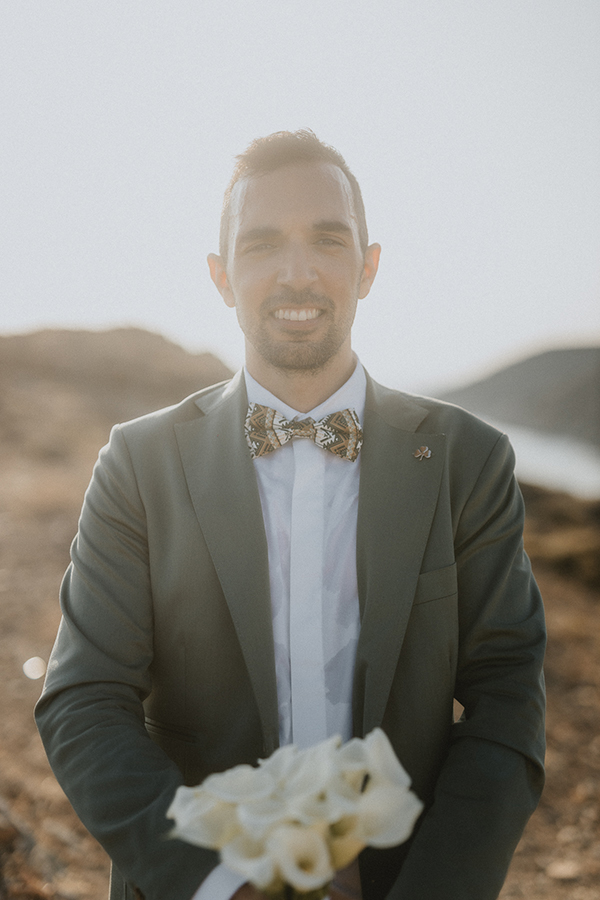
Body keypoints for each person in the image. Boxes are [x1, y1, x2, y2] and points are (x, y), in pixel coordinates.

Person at [36, 130, 546, 900]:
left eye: (327, 240)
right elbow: (83, 698)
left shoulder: (469, 460)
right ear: (221, 276)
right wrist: (216, 883)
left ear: (368, 266)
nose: (297, 271)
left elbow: (507, 690)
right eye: (263, 243)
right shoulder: (137, 464)